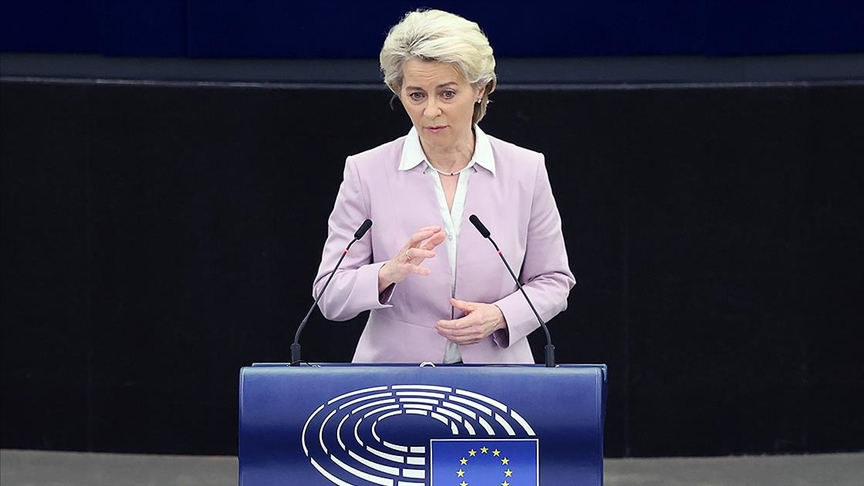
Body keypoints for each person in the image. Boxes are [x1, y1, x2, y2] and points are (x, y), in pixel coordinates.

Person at [313, 8, 575, 364]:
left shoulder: (525, 169)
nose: (431, 111)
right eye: (416, 95)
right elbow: (329, 295)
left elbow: (554, 281)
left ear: (481, 89)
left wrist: (501, 316)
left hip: (498, 378)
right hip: (395, 380)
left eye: (447, 93)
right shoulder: (366, 171)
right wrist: (387, 273)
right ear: (398, 91)